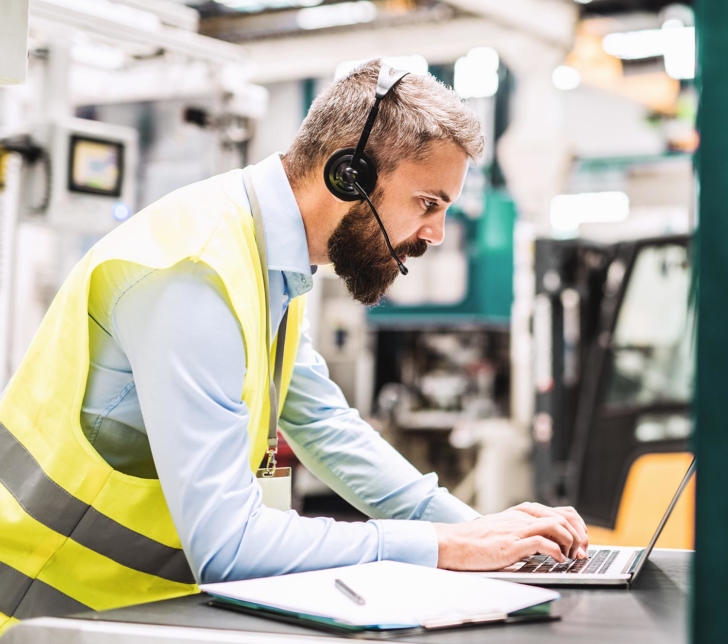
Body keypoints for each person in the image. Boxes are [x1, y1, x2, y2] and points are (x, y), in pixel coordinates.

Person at [0, 59, 586, 633]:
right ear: (346, 175)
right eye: (428, 203)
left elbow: (327, 426)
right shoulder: (194, 273)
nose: (434, 232)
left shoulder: (271, 260)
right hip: (47, 611)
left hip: (140, 609)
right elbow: (227, 547)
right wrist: (442, 545)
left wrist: (489, 537)